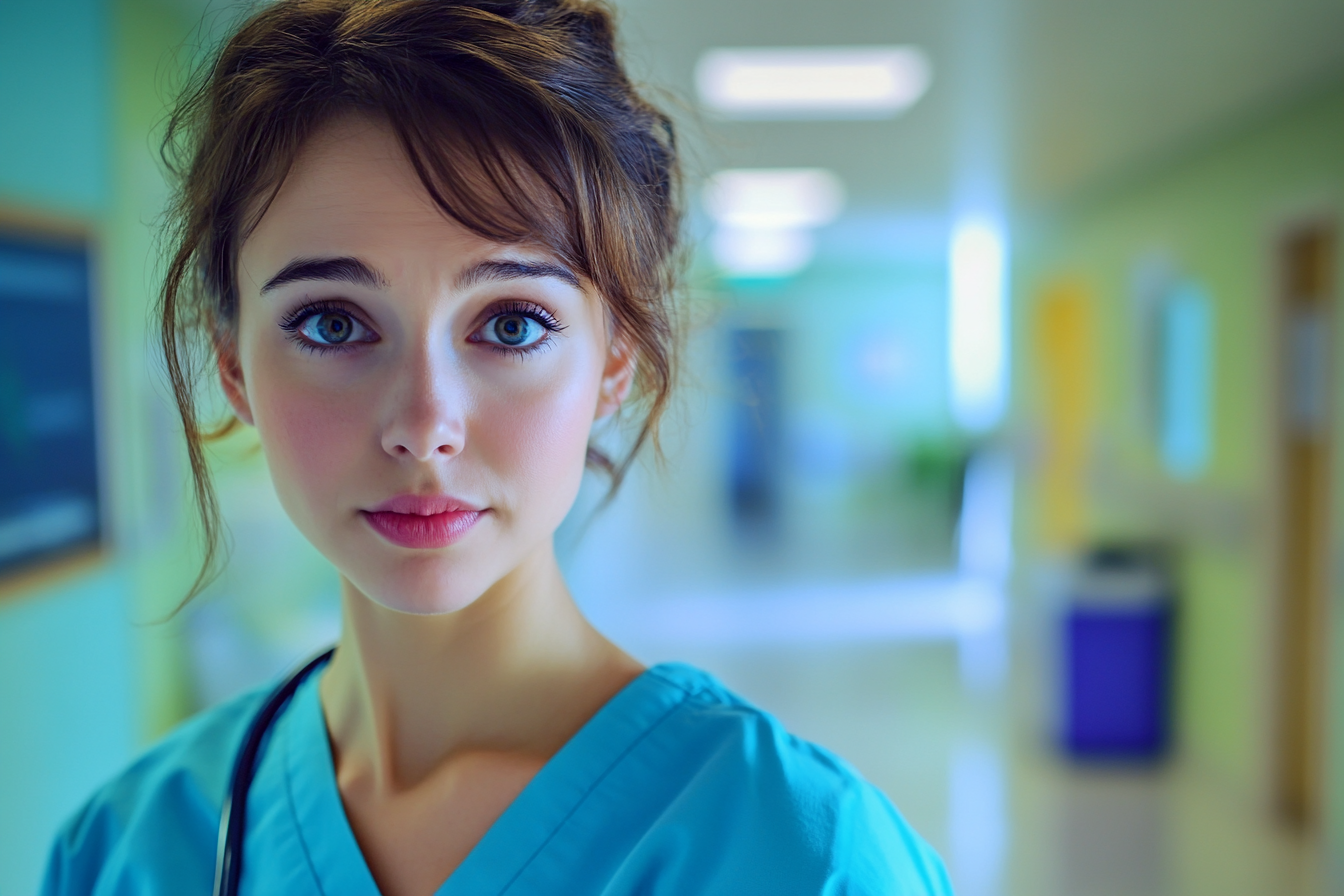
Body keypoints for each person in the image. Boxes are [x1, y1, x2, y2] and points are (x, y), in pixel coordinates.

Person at [41, 1, 953, 893]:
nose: (424, 423)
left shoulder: (804, 857)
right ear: (234, 366)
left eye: (512, 324)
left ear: (614, 362)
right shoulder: (127, 852)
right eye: (330, 322)